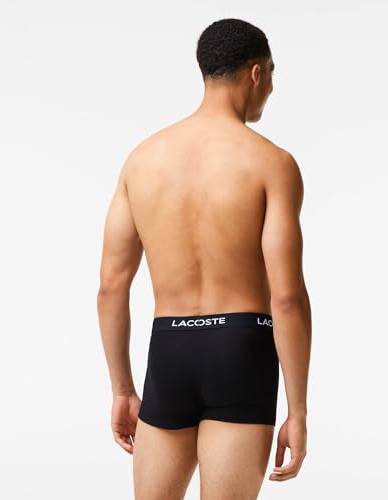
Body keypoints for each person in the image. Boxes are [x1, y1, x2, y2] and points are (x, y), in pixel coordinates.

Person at [97, 17, 312, 500]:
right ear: (256, 72)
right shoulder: (271, 163)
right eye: (271, 75)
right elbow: (287, 300)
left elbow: (111, 287)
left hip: (169, 350)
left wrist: (122, 389)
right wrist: (297, 411)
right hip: (242, 350)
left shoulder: (142, 159)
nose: (270, 88)